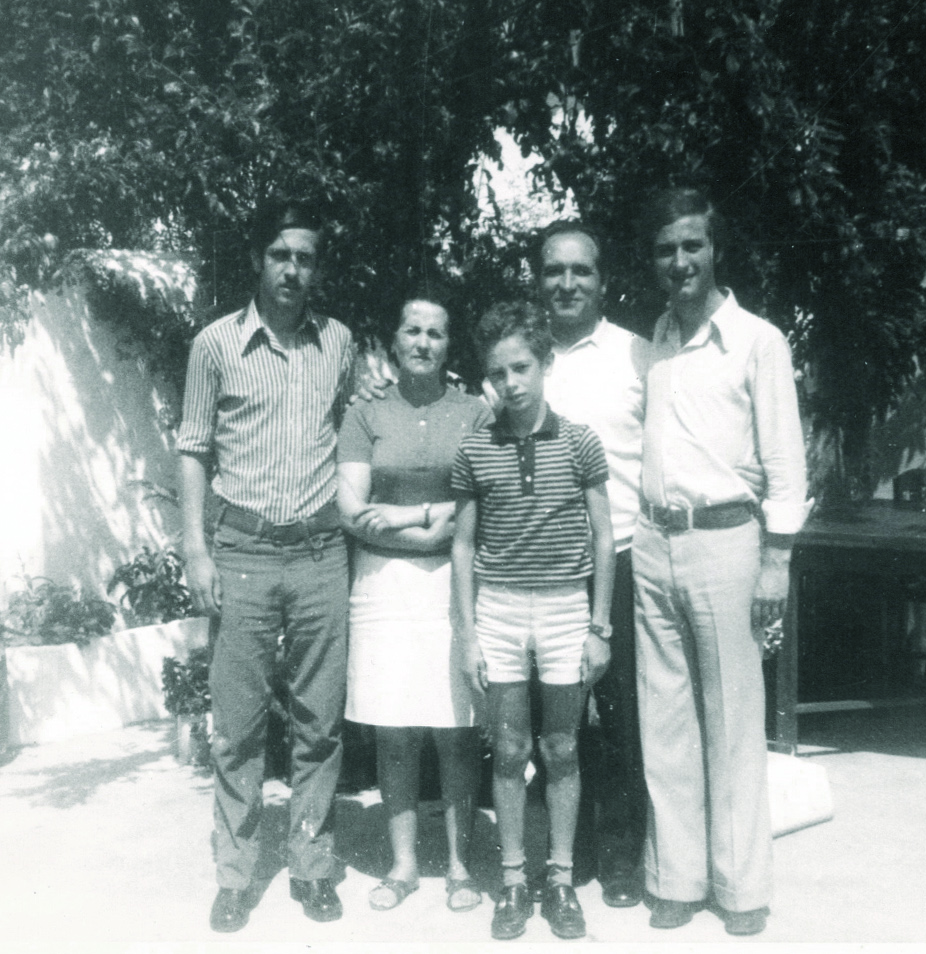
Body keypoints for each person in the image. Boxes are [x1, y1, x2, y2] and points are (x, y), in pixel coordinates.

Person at [632, 187, 810, 936]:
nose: (680, 261)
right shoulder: (653, 343)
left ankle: (741, 888)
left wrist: (777, 561)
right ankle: (677, 878)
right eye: (666, 249)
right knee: (665, 717)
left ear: (715, 250)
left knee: (733, 719)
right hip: (653, 541)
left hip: (728, 542)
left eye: (692, 245)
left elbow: (787, 462)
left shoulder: (757, 341)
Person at [177, 198, 355, 932]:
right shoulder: (215, 345)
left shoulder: (339, 343)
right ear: (259, 259)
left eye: (305, 258)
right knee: (238, 726)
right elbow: (193, 448)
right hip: (243, 552)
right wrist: (196, 549)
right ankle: (235, 874)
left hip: (320, 551)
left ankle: (312, 866)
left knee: (319, 723)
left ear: (316, 269)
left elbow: (354, 430)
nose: (292, 269)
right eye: (280, 254)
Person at [450, 300, 615, 941]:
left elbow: (604, 536)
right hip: (499, 608)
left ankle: (561, 878)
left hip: (566, 606)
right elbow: (463, 545)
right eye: (498, 373)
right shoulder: (475, 448)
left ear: (545, 364)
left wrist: (599, 627)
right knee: (511, 747)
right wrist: (469, 637)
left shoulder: (579, 441)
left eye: (521, 367)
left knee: (562, 747)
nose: (511, 383)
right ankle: (514, 880)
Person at [336, 294, 493, 914]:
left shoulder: (475, 412)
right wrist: (430, 526)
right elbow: (352, 510)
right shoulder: (365, 412)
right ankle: (402, 865)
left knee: (456, 729)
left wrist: (410, 517)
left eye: (436, 333)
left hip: (454, 581)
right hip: (382, 585)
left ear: (449, 345)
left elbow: (485, 497)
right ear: (395, 340)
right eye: (412, 331)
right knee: (395, 729)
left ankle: (459, 865)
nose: (423, 343)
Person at [532, 220, 648, 907]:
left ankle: (624, 856)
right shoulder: (524, 361)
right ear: (539, 280)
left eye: (581, 270)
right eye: (555, 270)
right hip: (545, 570)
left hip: (625, 560)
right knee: (556, 724)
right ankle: (565, 854)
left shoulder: (637, 355)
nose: (568, 282)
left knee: (626, 718)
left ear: (602, 281)